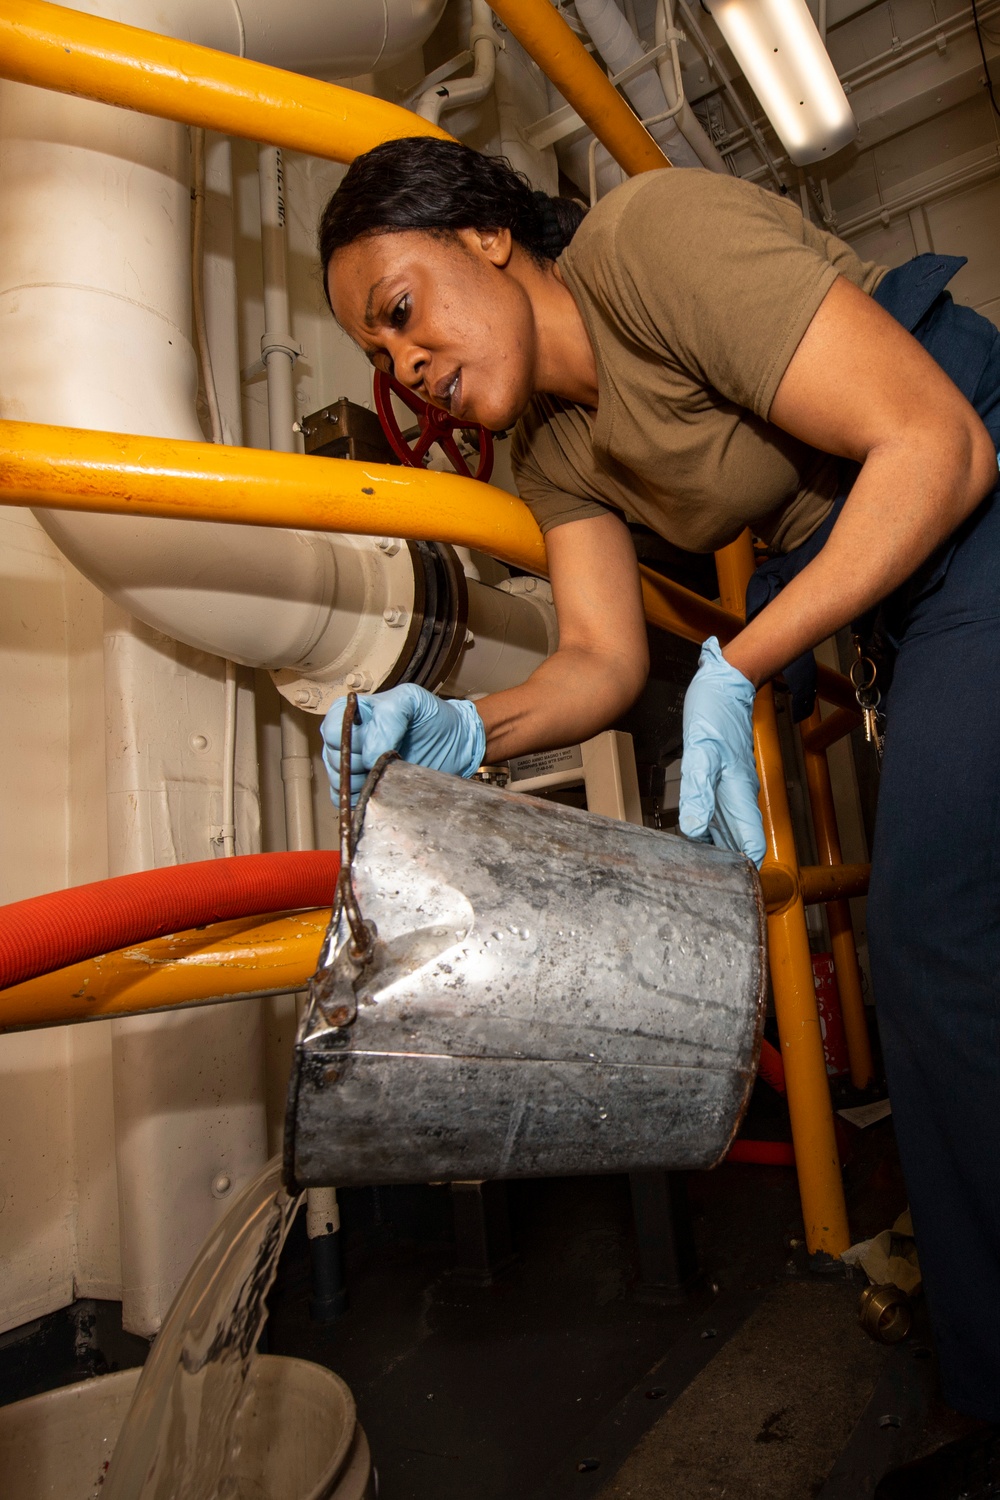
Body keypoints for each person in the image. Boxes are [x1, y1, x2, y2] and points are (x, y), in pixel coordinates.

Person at [316, 137, 1000, 1493]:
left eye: (401, 310)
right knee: (945, 950)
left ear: (489, 238)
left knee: (934, 940)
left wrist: (737, 665)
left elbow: (937, 441)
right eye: (377, 356)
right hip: (899, 586)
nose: (403, 365)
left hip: (974, 498)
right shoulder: (552, 450)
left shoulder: (648, 240)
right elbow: (599, 663)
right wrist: (457, 727)